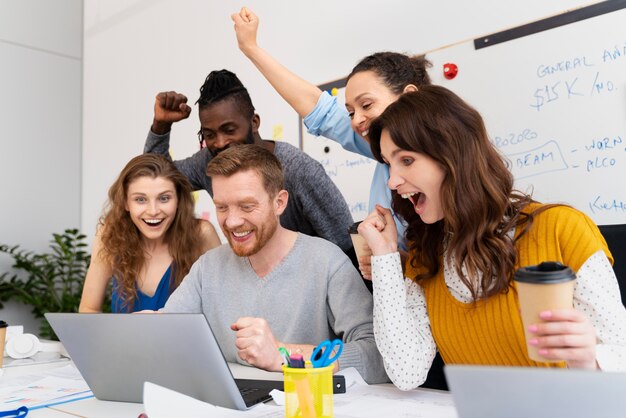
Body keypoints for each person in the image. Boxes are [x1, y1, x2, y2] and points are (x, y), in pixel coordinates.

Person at [357, 86, 626, 390]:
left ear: (452, 155)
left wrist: (589, 361)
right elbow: (407, 373)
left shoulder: (562, 229)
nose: (392, 181)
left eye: (406, 160)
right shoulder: (426, 255)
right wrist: (385, 257)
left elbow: (621, 352)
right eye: (388, 164)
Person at [160, 144, 388, 384]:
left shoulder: (328, 262)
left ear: (279, 202)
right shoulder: (208, 267)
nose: (232, 221)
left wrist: (284, 354)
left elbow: (377, 357)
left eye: (247, 206)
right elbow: (169, 330)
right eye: (222, 207)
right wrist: (148, 328)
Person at [232, 6, 432, 277]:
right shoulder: (381, 148)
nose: (356, 120)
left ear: (409, 97)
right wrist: (250, 48)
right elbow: (319, 110)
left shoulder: (447, 160)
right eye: (351, 112)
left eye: (366, 105)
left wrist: (399, 263)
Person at [143, 69, 357, 266]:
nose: (219, 142)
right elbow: (154, 178)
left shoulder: (298, 170)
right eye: (209, 135)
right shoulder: (209, 160)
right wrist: (161, 125)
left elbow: (345, 247)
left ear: (254, 122)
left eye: (229, 129)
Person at [79, 154, 221, 313]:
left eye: (164, 198)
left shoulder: (201, 234)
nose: (153, 211)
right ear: (126, 202)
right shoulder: (109, 235)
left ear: (178, 200)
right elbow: (88, 308)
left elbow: (222, 309)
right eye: (140, 200)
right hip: (124, 339)